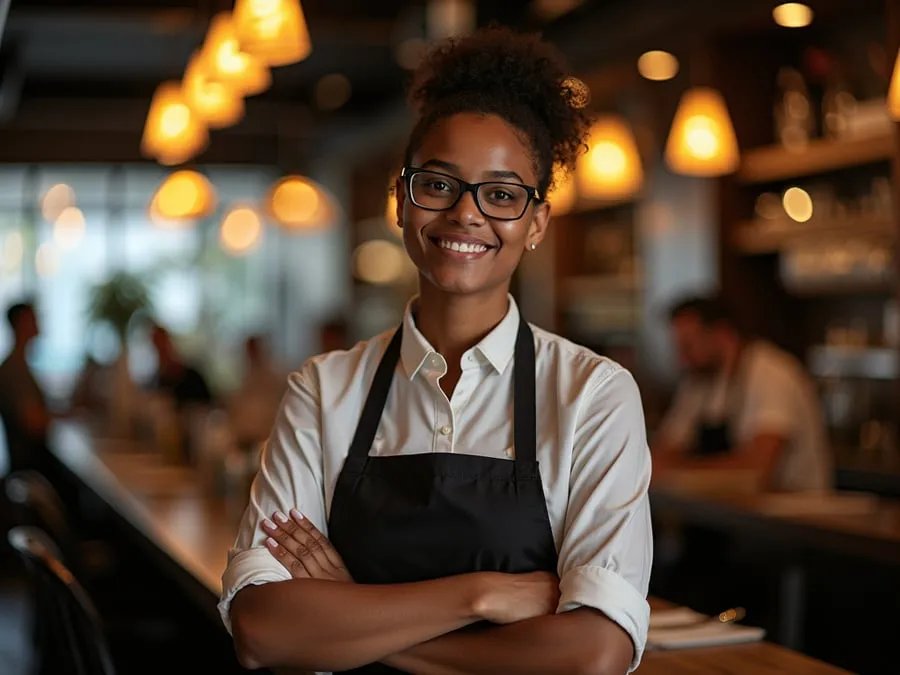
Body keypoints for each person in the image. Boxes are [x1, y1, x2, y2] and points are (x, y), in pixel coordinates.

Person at [220, 27, 652, 675]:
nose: (467, 214)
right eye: (439, 184)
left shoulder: (593, 393)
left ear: (536, 222)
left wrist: (355, 614)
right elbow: (263, 626)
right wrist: (479, 594)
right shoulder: (322, 388)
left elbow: (594, 652)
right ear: (402, 200)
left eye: (503, 194)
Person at [652, 295, 831, 492]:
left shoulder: (771, 374)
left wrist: (677, 470)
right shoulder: (699, 380)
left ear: (721, 334)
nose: (681, 360)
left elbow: (757, 467)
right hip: (732, 511)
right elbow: (666, 449)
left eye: (688, 346)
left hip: (792, 513)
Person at [0, 302, 51, 475]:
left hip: (27, 465)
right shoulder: (14, 370)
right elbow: (33, 422)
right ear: (22, 323)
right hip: (29, 469)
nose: (38, 322)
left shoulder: (18, 365)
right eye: (33, 318)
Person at [227, 334, 286, 448]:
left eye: (253, 349)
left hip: (266, 434)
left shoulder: (275, 375)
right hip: (245, 435)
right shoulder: (246, 376)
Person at [148, 323, 212, 410]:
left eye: (162, 343)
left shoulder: (193, 377)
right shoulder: (157, 383)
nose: (161, 350)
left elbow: (208, 406)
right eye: (157, 345)